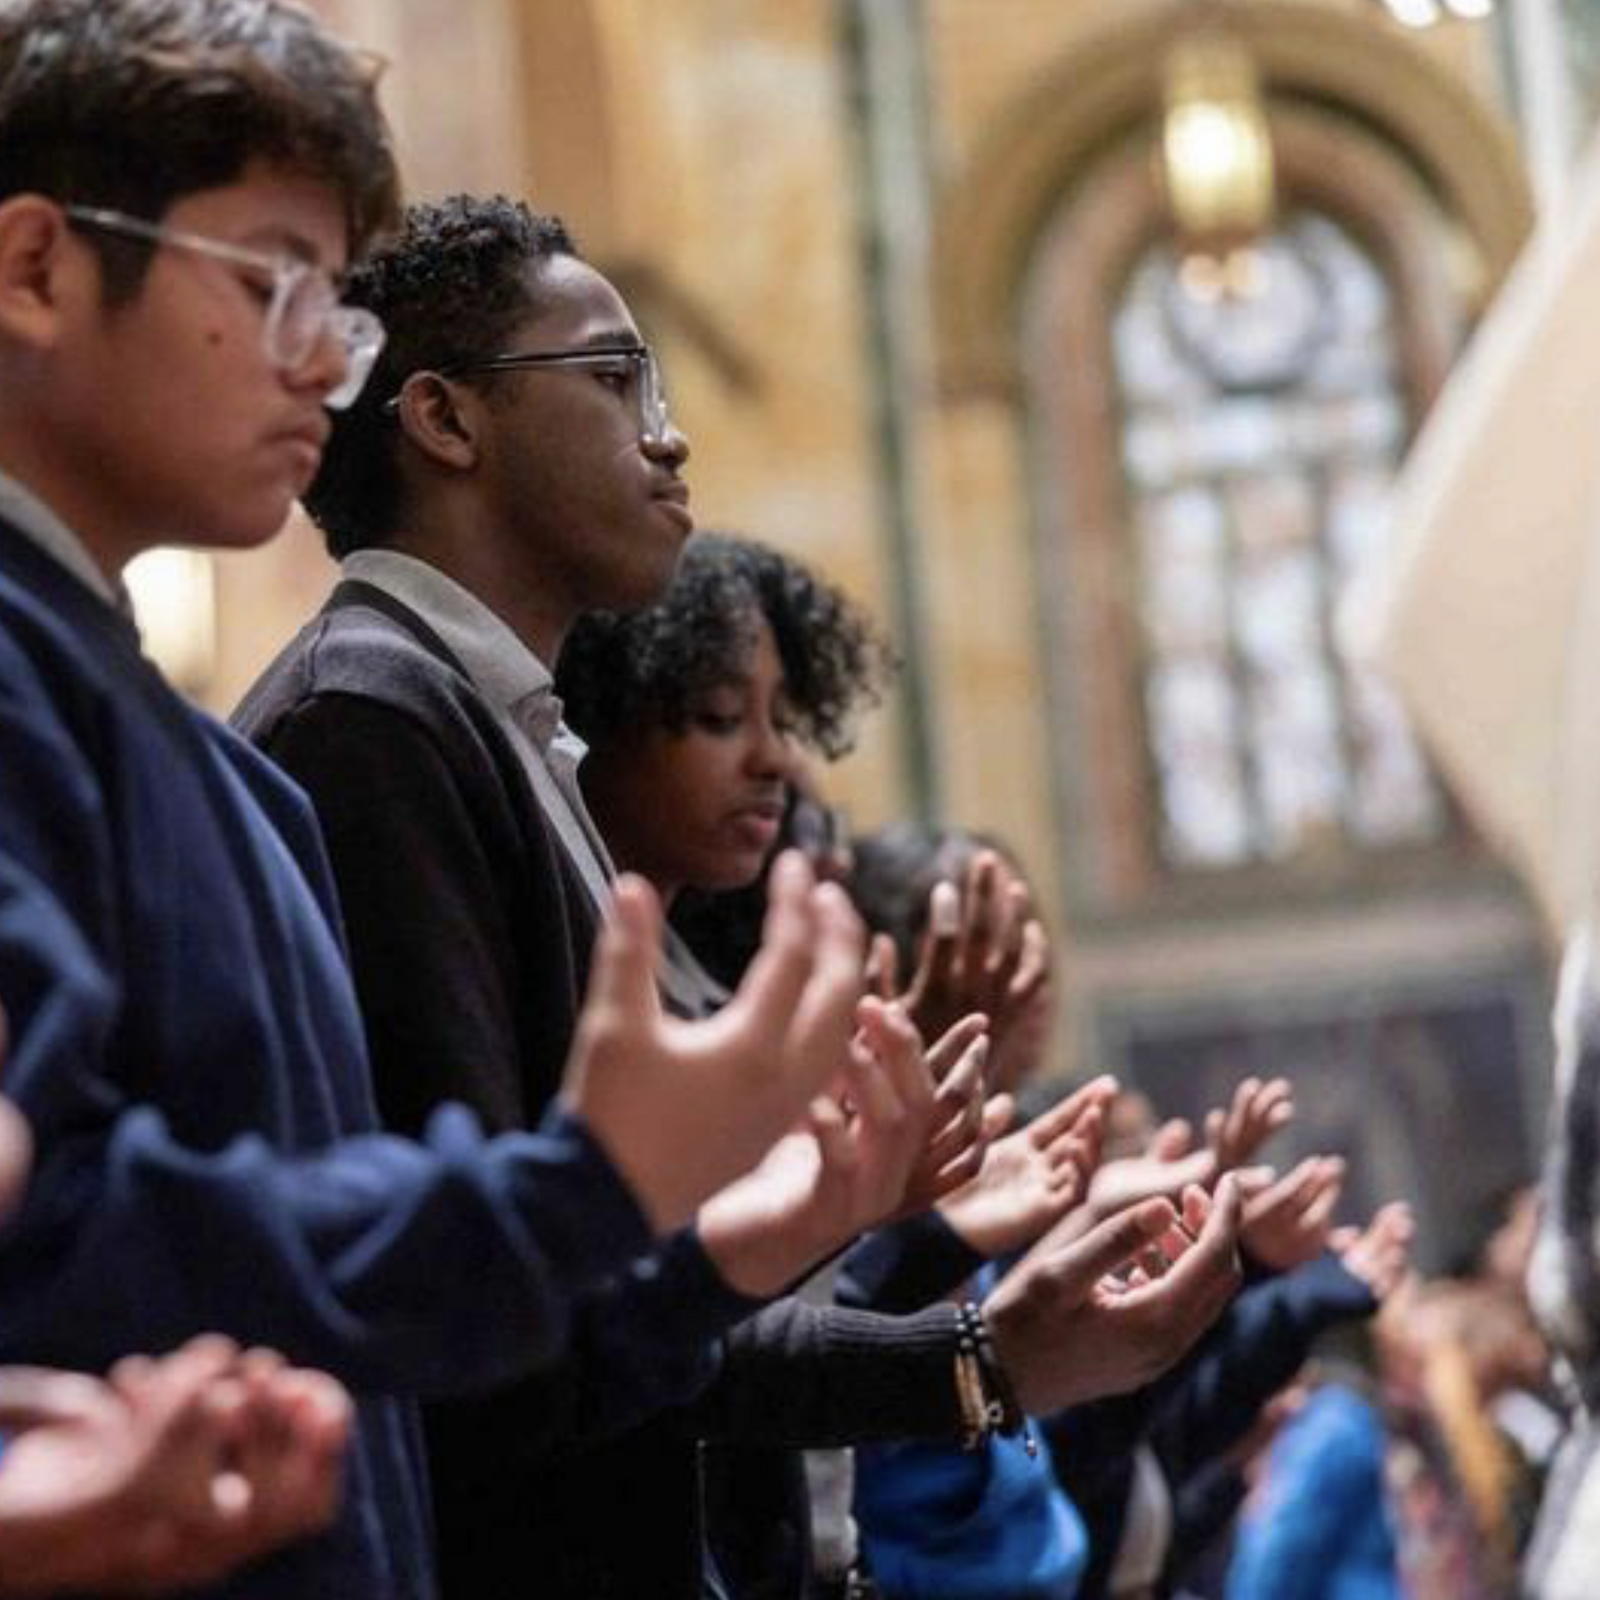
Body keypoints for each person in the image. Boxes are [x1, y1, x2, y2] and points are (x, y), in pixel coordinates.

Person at [238, 199, 1243, 1600]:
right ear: (445, 422)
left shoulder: (488, 730)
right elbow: (497, 1325)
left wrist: (983, 1358)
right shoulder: (374, 722)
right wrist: (823, 1214)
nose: (668, 432)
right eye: (612, 378)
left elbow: (625, 1305)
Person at [0, 6, 868, 1596]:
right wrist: (591, 1186)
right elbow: (63, 1220)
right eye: (272, 281)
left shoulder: (231, 776)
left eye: (335, 305)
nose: (321, 361)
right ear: (39, 268)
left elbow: (400, 1331)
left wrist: (701, 1204)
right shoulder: (268, 716)